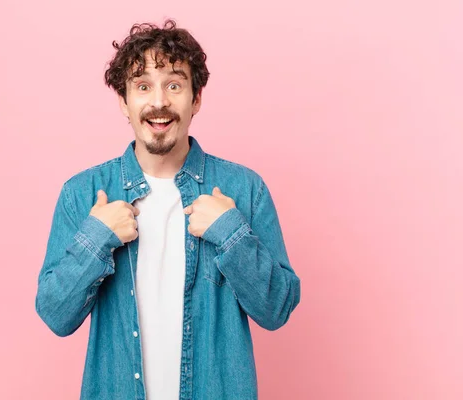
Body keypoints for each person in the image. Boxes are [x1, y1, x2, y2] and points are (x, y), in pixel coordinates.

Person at [35, 19, 301, 400]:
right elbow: (55, 315)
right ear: (124, 102)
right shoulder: (83, 195)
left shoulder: (245, 190)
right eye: (142, 86)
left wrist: (231, 232)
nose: (158, 102)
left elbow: (276, 310)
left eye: (174, 85)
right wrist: (96, 238)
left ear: (196, 99)